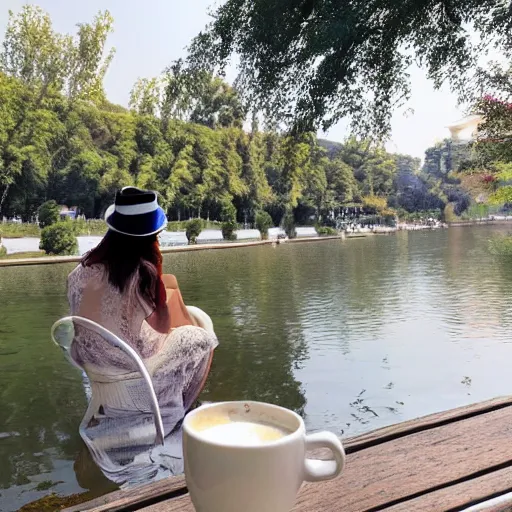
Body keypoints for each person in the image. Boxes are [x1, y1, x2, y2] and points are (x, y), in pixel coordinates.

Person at [66, 186, 218, 485]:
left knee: (185, 334)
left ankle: (160, 406)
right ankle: (178, 411)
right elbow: (162, 325)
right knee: (200, 336)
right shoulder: (142, 273)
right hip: (136, 373)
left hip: (97, 367)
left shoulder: (79, 272)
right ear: (152, 236)